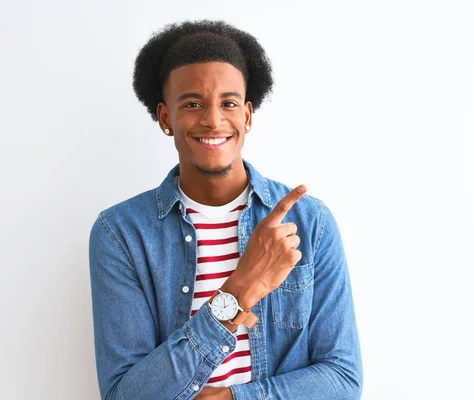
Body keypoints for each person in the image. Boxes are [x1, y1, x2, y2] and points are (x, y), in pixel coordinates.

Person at [88, 20, 362, 400]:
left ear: (247, 115)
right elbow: (125, 395)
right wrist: (239, 289)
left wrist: (237, 398)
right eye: (192, 104)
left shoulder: (310, 223)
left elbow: (343, 379)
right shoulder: (121, 234)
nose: (213, 120)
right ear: (166, 117)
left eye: (228, 103)